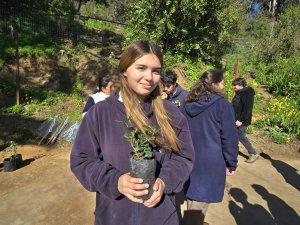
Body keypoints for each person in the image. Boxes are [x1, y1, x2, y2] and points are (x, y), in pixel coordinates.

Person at [70, 40, 195, 225]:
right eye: (141, 68)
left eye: (156, 71)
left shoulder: (171, 113)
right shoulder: (100, 113)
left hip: (160, 217)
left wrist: (164, 182)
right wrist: (115, 181)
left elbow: (184, 158)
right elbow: (82, 160)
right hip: (113, 217)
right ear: (124, 70)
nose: (149, 77)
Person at [180, 69, 239, 225]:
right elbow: (230, 138)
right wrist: (231, 162)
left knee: (192, 194)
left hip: (188, 156)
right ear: (215, 85)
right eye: (222, 82)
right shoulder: (222, 105)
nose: (224, 85)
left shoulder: (187, 103)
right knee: (199, 203)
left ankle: (194, 221)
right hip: (210, 162)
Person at [232, 77, 259, 163]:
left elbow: (247, 109)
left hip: (242, 121)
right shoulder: (240, 93)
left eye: (235, 85)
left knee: (241, 136)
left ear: (240, 85)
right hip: (236, 119)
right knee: (234, 136)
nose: (233, 87)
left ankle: (253, 153)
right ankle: (232, 154)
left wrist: (241, 120)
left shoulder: (247, 94)